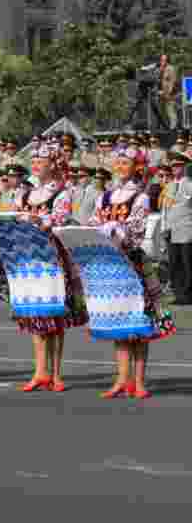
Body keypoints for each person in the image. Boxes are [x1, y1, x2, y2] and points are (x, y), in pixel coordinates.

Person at [88, 146, 175, 399]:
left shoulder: (141, 196)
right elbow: (93, 222)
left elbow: (137, 230)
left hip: (132, 263)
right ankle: (121, 378)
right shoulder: (104, 196)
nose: (120, 167)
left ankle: (138, 381)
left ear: (137, 167)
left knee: (139, 322)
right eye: (118, 162)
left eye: (125, 163)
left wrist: (116, 229)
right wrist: (102, 228)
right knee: (119, 322)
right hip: (111, 264)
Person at [13, 145, 89, 393]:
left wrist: (37, 222)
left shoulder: (62, 194)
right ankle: (39, 371)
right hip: (29, 259)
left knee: (55, 316)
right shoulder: (25, 193)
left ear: (53, 164)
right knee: (36, 315)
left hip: (53, 258)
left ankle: (55, 372)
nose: (35, 163)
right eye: (33, 159)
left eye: (41, 160)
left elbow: (58, 222)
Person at [167, 163, 192, 305]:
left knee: (187, 262)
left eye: (178, 166)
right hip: (172, 228)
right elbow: (166, 207)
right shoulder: (170, 185)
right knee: (174, 263)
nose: (175, 169)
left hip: (187, 228)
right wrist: (166, 226)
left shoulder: (190, 184)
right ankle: (179, 294)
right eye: (173, 166)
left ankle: (188, 295)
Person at [159, 54, 180, 129]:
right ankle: (165, 126)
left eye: (164, 60)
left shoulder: (170, 68)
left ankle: (173, 127)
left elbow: (173, 81)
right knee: (163, 111)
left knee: (170, 110)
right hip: (162, 93)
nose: (162, 61)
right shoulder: (161, 69)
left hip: (169, 93)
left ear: (167, 60)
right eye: (161, 60)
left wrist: (169, 92)